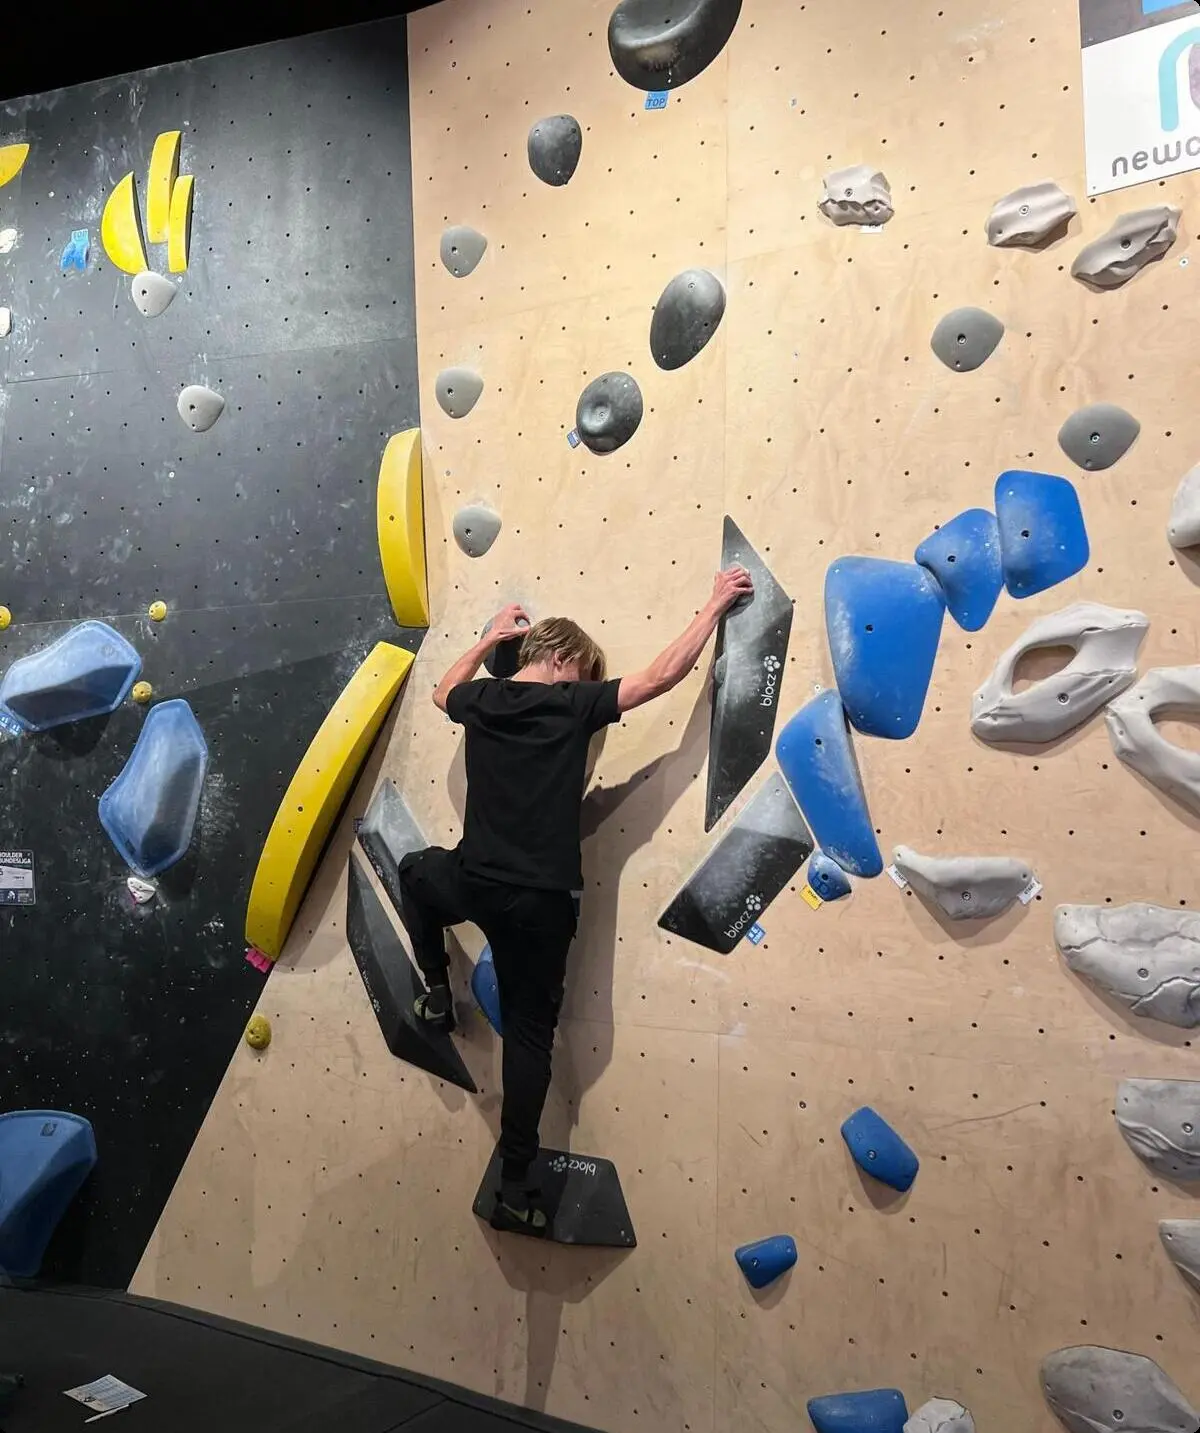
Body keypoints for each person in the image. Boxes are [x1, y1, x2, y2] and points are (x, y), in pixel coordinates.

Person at [396, 564, 753, 1234]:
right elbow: (660, 677)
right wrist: (711, 608)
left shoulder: (487, 700)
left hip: (474, 878)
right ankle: (516, 1183)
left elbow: (444, 690)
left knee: (416, 874)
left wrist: (489, 638)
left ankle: (437, 991)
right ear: (563, 662)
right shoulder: (572, 704)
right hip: (542, 906)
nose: (591, 693)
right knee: (530, 1036)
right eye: (585, 673)